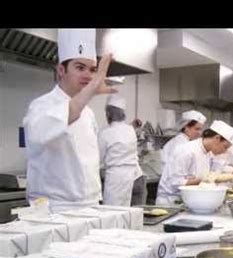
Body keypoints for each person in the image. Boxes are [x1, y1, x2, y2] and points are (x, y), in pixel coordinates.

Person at [23, 29, 116, 213]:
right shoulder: (41, 106)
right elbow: (66, 115)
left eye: (92, 70)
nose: (88, 76)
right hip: (54, 211)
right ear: (61, 70)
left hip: (90, 207)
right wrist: (93, 87)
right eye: (80, 67)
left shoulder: (88, 112)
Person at [156, 121, 233, 205]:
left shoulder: (208, 153)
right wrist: (204, 180)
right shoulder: (187, 151)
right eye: (225, 147)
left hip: (190, 200)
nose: (225, 151)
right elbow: (175, 182)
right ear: (217, 138)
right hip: (171, 202)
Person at [98, 95, 143, 206]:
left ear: (108, 114)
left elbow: (98, 158)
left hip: (116, 179)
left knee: (112, 214)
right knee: (131, 216)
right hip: (135, 176)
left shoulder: (105, 133)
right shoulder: (130, 130)